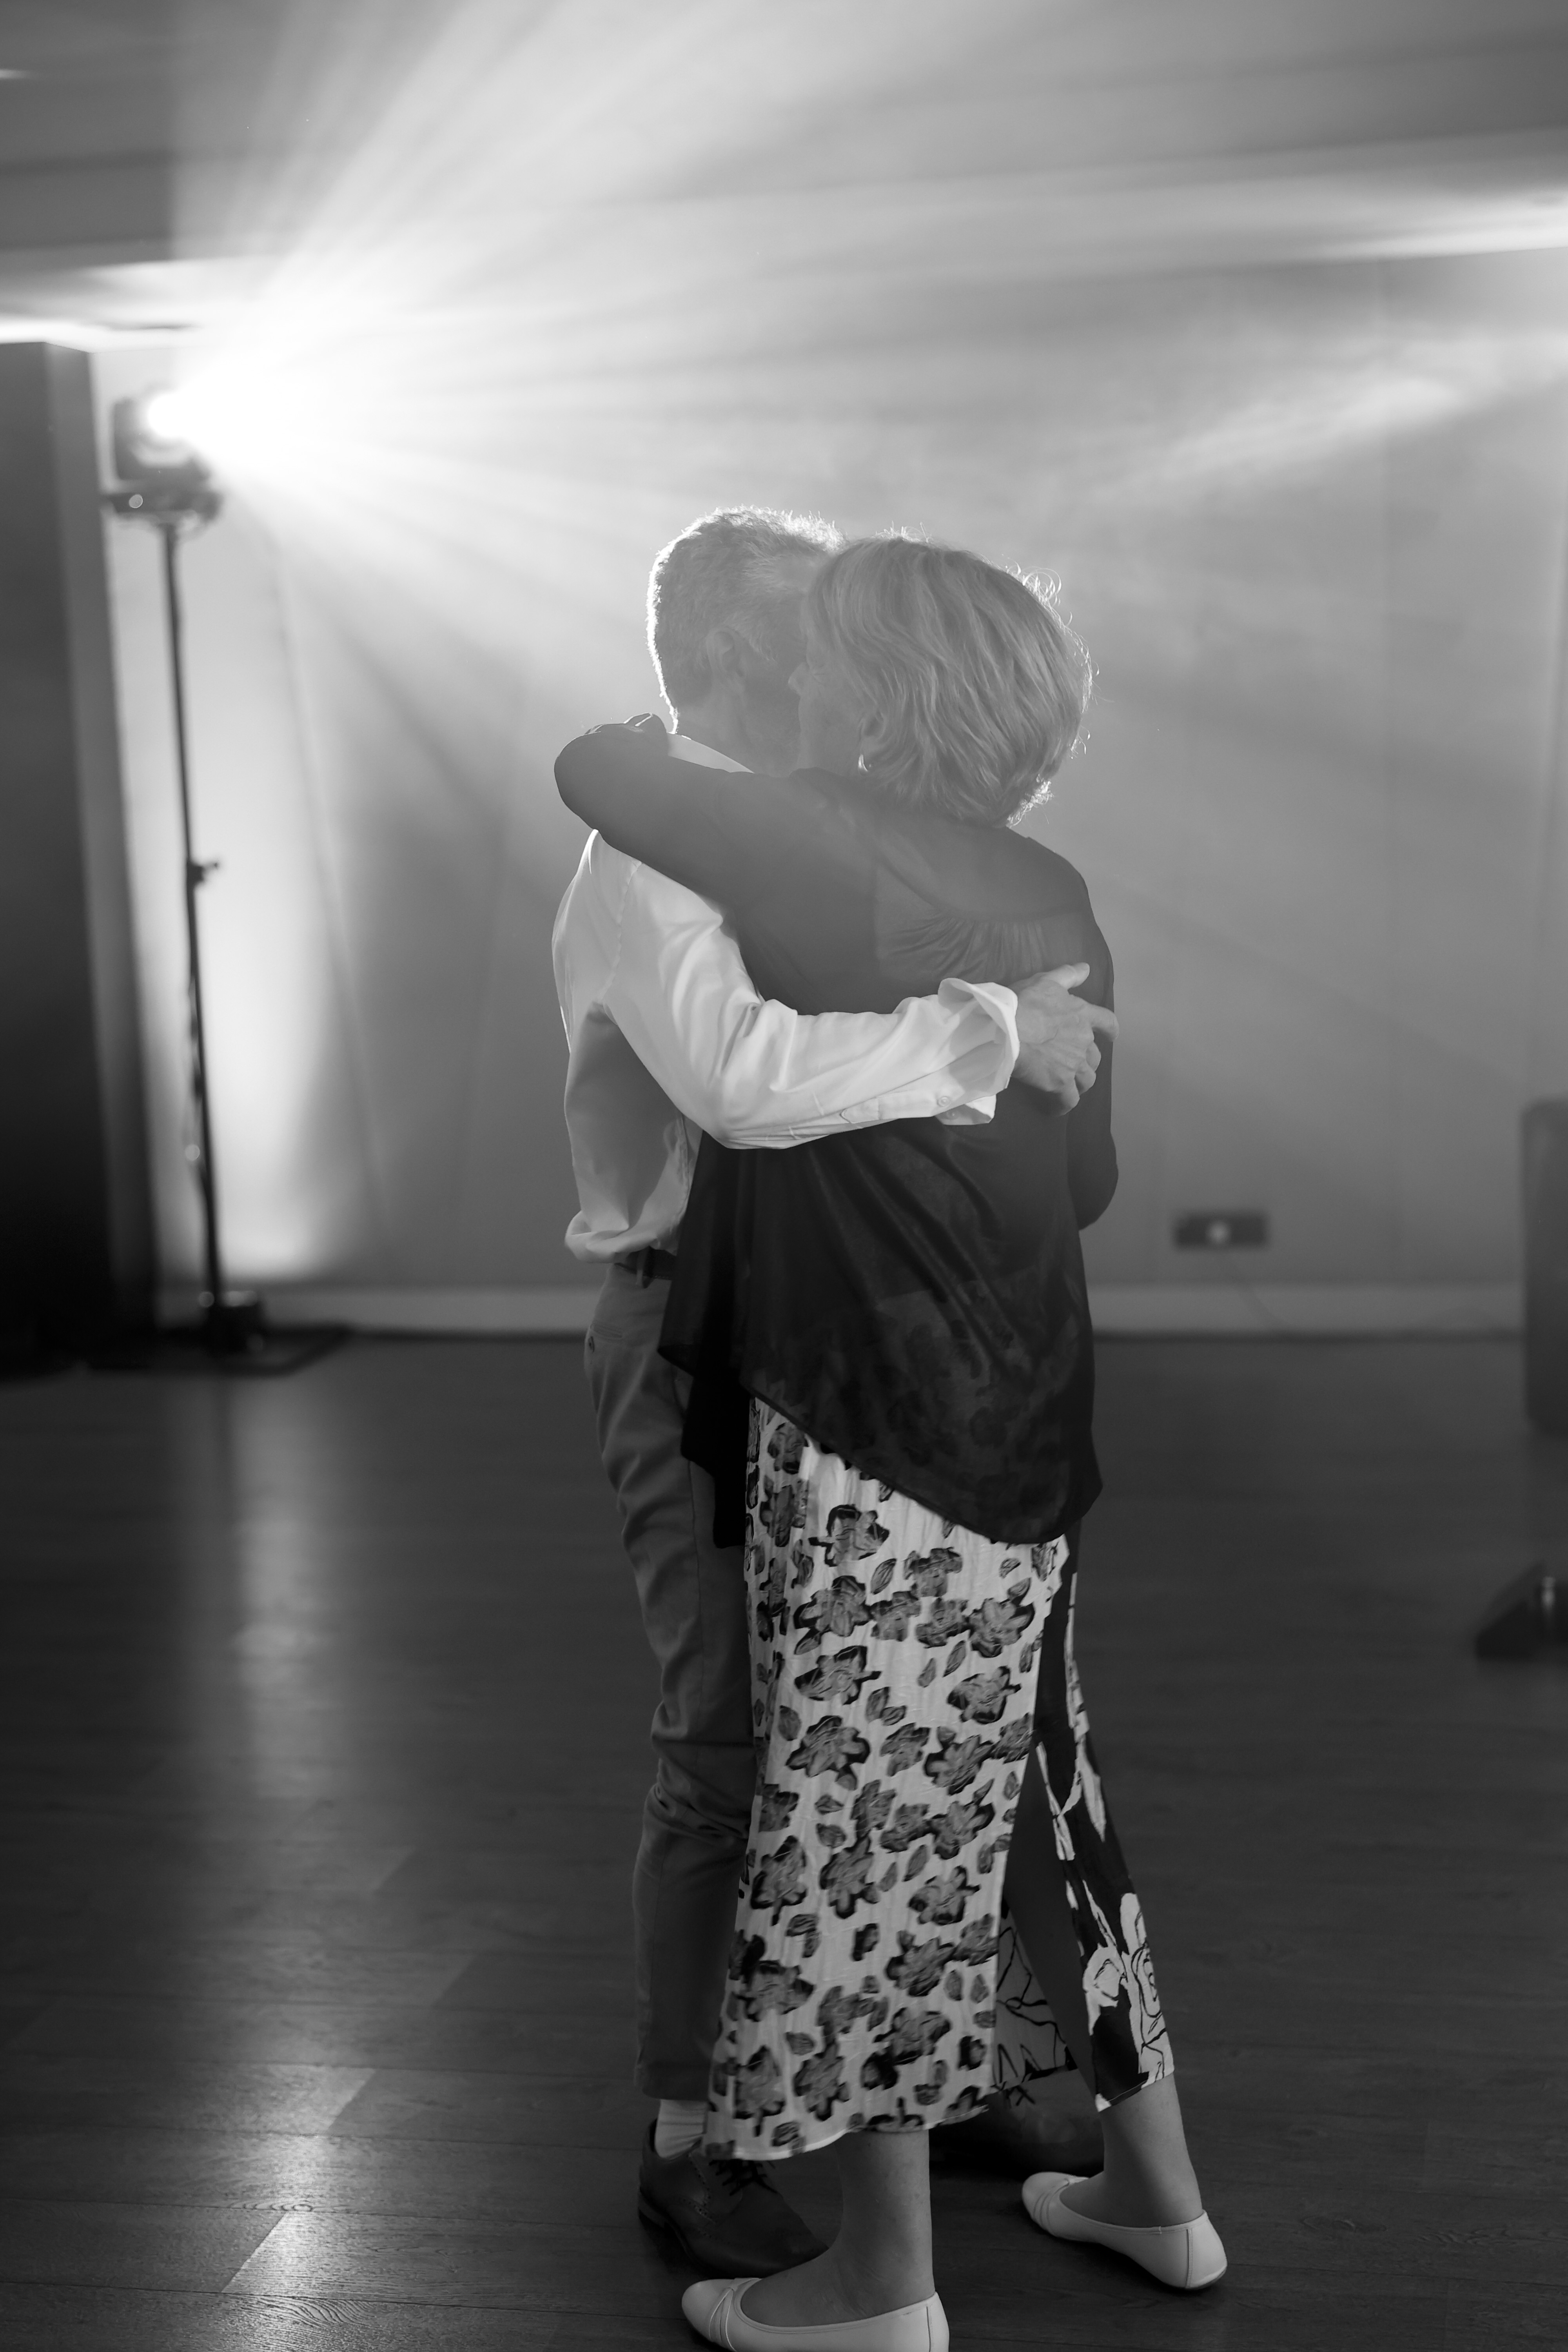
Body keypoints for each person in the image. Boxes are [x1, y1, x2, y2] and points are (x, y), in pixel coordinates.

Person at [556, 534, 1224, 2352]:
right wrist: (997, 1042)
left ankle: (883, 2272)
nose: (808, 677)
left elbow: (615, 797)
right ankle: (1132, 2186)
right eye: (792, 635)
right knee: (995, 1786)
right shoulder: (1021, 878)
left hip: (858, 1396)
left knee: (852, 1807)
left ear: (868, 685)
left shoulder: (796, 859)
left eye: (832, 644)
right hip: (990, 1386)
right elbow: (1079, 1171)